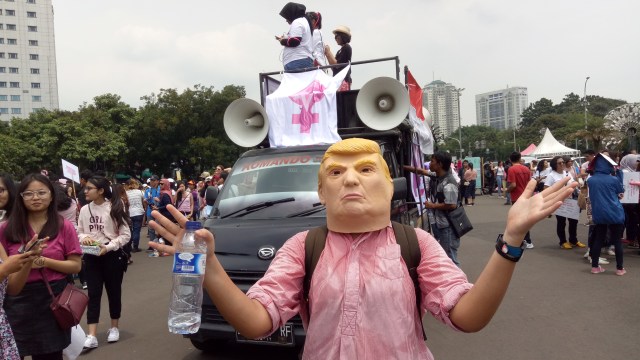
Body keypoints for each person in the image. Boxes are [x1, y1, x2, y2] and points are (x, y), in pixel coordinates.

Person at [148, 138, 575, 359]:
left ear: (389, 186)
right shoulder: (304, 246)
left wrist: (512, 240)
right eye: (336, 173)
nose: (350, 180)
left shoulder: (415, 243)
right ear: (321, 191)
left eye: (366, 170)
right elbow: (258, 323)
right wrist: (210, 268)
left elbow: (468, 317)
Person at [1, 173, 82, 359]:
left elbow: (76, 266)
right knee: (13, 353)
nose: (35, 198)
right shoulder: (6, 229)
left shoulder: (64, 226)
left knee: (50, 355)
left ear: (51, 195)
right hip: (16, 303)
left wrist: (43, 261)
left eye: (41, 192)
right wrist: (27, 259)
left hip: (52, 300)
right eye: (28, 194)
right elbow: (11, 285)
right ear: (20, 197)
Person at [78, 176, 131, 349]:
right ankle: (92, 334)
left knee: (113, 292)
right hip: (91, 256)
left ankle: (114, 327)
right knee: (93, 294)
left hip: (111, 256)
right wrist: (85, 238)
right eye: (86, 188)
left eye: (89, 188)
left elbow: (125, 235)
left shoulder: (115, 207)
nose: (85, 191)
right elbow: (80, 231)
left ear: (100, 190)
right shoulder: (85, 209)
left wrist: (108, 247)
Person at [406, 151, 461, 265]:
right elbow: (421, 171)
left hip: (448, 227)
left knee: (451, 259)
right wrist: (402, 166)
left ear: (439, 164)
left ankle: (458, 282)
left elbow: (452, 205)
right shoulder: (438, 176)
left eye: (432, 161)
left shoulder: (449, 182)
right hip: (441, 224)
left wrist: (432, 205)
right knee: (445, 257)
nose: (430, 164)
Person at [587, 153, 626, 275]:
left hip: (599, 213)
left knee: (598, 239)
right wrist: (619, 173)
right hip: (615, 212)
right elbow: (621, 190)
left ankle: (595, 267)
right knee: (617, 241)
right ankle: (619, 269)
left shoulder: (590, 180)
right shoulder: (613, 179)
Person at [544, 156, 586, 249]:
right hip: (560, 201)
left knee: (574, 221)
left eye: (563, 162)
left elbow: (572, 183)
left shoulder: (566, 173)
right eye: (560, 163)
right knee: (561, 222)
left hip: (572, 200)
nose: (562, 164)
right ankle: (562, 241)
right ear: (555, 165)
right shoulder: (551, 175)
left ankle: (573, 240)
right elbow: (546, 190)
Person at [506, 152, 535, 248]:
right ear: (519, 158)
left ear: (510, 160)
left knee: (518, 219)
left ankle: (524, 240)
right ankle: (527, 240)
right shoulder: (526, 169)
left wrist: (507, 190)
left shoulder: (511, 169)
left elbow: (513, 185)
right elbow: (529, 183)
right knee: (525, 218)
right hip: (526, 195)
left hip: (516, 197)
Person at [277, 2, 314, 71]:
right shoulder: (304, 21)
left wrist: (282, 41)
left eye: (286, 16)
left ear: (291, 14)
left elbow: (295, 41)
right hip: (302, 60)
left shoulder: (297, 22)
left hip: (297, 60)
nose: (286, 20)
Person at [324, 25, 352, 91]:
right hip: (338, 79)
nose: (335, 38)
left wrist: (328, 52)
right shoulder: (339, 51)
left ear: (343, 36)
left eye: (337, 36)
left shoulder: (347, 47)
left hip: (343, 80)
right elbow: (333, 67)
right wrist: (327, 55)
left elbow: (337, 65)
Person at [125, 179, 145, 253]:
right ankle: (135, 247)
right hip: (139, 212)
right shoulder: (140, 192)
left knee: (129, 231)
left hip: (129, 213)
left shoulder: (126, 193)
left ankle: (129, 246)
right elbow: (144, 200)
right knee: (136, 230)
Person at [143, 175, 161, 248]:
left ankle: (160, 243)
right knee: (151, 228)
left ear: (157, 181)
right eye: (151, 180)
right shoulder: (148, 190)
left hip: (159, 211)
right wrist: (146, 201)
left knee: (159, 228)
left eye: (153, 180)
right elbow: (145, 200)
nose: (151, 182)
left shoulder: (161, 190)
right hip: (150, 211)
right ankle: (152, 244)